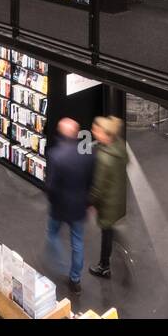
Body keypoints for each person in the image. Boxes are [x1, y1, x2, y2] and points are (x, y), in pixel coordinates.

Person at [44, 117, 94, 294]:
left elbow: (51, 185)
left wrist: (51, 200)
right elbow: (90, 181)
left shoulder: (55, 155)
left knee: (52, 235)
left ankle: (62, 264)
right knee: (78, 243)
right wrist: (88, 202)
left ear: (60, 132)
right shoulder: (87, 154)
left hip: (59, 207)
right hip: (79, 206)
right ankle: (75, 279)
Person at [88, 116, 128, 279]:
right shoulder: (119, 146)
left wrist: (89, 203)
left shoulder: (105, 158)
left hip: (107, 204)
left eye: (96, 130)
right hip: (118, 198)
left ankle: (104, 266)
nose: (93, 132)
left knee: (106, 232)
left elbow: (98, 188)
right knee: (110, 228)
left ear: (106, 134)